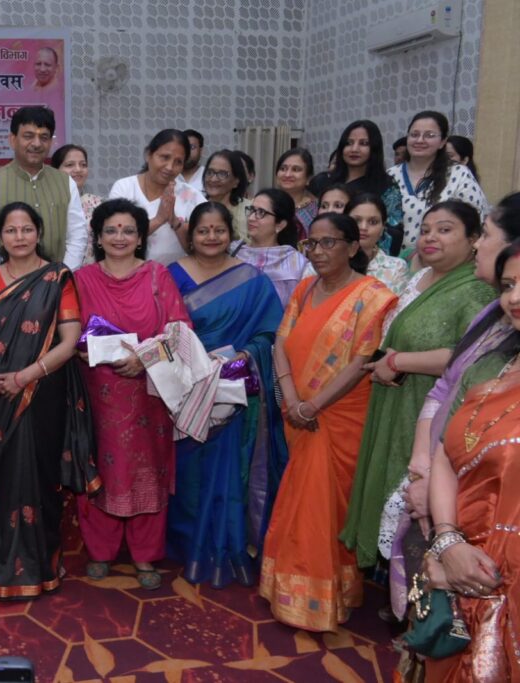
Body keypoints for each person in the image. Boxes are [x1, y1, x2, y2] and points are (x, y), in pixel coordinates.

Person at [259, 213, 397, 632]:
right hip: (298, 411)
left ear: (353, 247)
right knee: (299, 498)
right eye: (311, 244)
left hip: (339, 416)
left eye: (329, 243)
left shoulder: (373, 296)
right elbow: (281, 341)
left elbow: (361, 361)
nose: (318, 252)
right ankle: (291, 589)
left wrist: (313, 406)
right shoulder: (304, 289)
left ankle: (327, 595)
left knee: (327, 504)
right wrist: (292, 399)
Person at [340, 201, 495, 569]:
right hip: (395, 401)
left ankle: (417, 585)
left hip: (431, 410)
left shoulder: (476, 289)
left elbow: (471, 355)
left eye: (445, 229)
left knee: (414, 503)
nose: (430, 237)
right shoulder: (421, 277)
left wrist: (399, 362)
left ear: (473, 239)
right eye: (425, 230)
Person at [0, 201, 98, 599]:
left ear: (39, 233)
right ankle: (7, 567)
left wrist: (25, 376)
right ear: (0, 237)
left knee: (41, 477)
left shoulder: (57, 277)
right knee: (6, 479)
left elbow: (69, 340)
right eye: (11, 230)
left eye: (27, 229)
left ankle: (43, 564)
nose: (20, 237)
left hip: (42, 392)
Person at [166, 202, 286, 588]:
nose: (211, 237)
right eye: (203, 230)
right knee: (186, 471)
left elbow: (270, 333)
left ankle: (222, 541)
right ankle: (184, 541)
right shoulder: (171, 275)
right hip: (183, 388)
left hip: (232, 390)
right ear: (191, 235)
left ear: (231, 234)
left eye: (219, 230)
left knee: (228, 468)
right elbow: (160, 327)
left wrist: (243, 357)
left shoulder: (253, 280)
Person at [74, 198, 191, 590]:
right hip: (97, 393)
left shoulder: (158, 276)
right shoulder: (81, 279)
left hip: (149, 392)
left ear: (141, 237)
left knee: (148, 469)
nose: (119, 237)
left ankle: (145, 553)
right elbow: (67, 331)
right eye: (111, 230)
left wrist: (145, 359)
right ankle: (100, 550)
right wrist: (81, 348)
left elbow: (180, 330)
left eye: (128, 230)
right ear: (98, 237)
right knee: (99, 465)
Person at [422, 241, 520, 681]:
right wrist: (447, 543)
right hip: (463, 570)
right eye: (509, 285)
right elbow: (448, 452)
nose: (515, 297)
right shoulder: (496, 369)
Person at [402, 194, 520, 536]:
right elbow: (444, 389)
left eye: (485, 234)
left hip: (482, 508)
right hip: (441, 481)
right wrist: (423, 468)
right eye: (509, 287)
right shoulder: (492, 315)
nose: (477, 245)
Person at [0, 106, 87, 271]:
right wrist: (7, 279)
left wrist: (62, 274)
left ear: (51, 142)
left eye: (44, 137)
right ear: (12, 140)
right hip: (7, 283)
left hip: (57, 280)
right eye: (28, 136)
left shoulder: (66, 183)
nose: (37, 144)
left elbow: (77, 238)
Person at [388, 111, 488, 251]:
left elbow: (475, 225)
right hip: (392, 259)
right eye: (414, 135)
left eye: (429, 135)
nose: (420, 140)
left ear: (442, 142)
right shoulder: (390, 175)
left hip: (444, 260)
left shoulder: (459, 174)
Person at [108, 129, 206, 265]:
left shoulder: (190, 195)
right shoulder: (125, 188)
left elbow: (199, 246)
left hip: (174, 274)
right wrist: (159, 219)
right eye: (165, 157)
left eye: (178, 162)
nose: (170, 167)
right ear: (148, 155)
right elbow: (114, 236)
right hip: (128, 272)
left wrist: (175, 221)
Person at [307, 120, 405, 238]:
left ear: (374, 148)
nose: (354, 149)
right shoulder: (322, 181)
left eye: (363, 143)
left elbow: (394, 230)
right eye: (349, 143)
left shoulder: (385, 185)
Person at [231, 188, 313, 306]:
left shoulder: (298, 264)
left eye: (261, 213)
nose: (251, 218)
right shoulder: (232, 252)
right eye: (252, 210)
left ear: (280, 224)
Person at [50, 143, 102, 265]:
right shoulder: (47, 203)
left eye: (83, 165)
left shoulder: (99, 204)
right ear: (55, 170)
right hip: (55, 271)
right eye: (70, 165)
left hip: (91, 272)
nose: (78, 169)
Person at [346, 193, 408, 293]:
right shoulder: (330, 260)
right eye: (357, 220)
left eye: (373, 222)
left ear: (383, 228)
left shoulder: (396, 267)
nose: (363, 227)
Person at [200, 150, 250, 239]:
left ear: (236, 181)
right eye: (210, 172)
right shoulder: (196, 204)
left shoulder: (249, 211)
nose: (213, 179)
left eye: (222, 174)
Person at [274, 148, 316, 239]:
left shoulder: (315, 211)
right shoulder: (265, 204)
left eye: (296, 169)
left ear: (308, 178)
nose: (287, 174)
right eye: (283, 169)